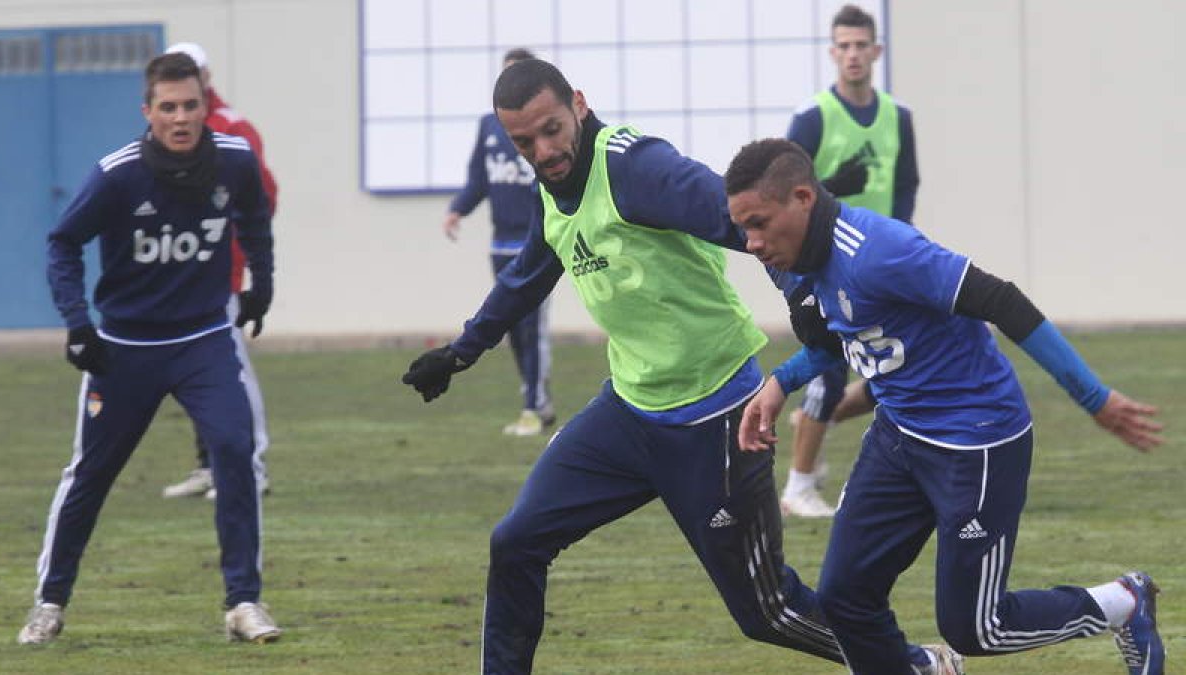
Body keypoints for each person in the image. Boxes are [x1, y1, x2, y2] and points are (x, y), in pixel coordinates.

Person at [403, 59, 963, 675]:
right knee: (515, 542)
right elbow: (528, 274)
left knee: (767, 611)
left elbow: (742, 218)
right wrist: (462, 351)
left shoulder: (635, 166)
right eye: (524, 142)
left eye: (552, 129)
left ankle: (914, 666)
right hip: (629, 412)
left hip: (719, 415)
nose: (543, 150)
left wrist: (800, 288)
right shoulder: (551, 186)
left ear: (580, 106)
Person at [725, 137, 1164, 675]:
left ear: (802, 198)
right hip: (898, 436)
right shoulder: (796, 261)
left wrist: (1095, 399)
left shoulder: (880, 251)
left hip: (974, 442)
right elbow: (836, 340)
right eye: (742, 228)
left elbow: (1003, 301)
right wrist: (780, 382)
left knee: (977, 628)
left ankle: (1125, 603)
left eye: (759, 223)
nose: (749, 243)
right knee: (844, 597)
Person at [18, 53, 280, 645]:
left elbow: (256, 218)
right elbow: (62, 243)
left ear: (204, 107)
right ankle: (50, 601)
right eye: (168, 107)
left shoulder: (234, 162)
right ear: (148, 112)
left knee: (236, 451)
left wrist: (260, 286)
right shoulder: (118, 175)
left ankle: (243, 601)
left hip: (206, 339)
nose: (181, 118)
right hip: (125, 347)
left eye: (191, 105)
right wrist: (77, 323)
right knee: (91, 474)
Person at [780, 3, 921, 518]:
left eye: (862, 45)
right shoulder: (814, 117)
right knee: (831, 368)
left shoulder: (898, 118)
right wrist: (837, 187)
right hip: (826, 262)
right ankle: (798, 485)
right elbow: (783, 190)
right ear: (832, 52)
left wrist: (906, 249)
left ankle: (814, 426)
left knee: (897, 363)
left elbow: (905, 188)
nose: (854, 54)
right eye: (845, 45)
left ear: (876, 51)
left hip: (883, 264)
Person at [160, 41, 277, 500]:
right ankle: (210, 463)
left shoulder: (233, 130)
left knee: (231, 372)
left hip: (217, 271)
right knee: (193, 372)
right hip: (174, 272)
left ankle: (252, 465)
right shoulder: (170, 130)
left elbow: (263, 199)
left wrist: (242, 256)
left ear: (206, 79)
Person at [442, 47, 554, 437]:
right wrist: (458, 209)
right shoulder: (490, 127)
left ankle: (533, 407)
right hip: (500, 244)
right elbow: (479, 179)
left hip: (535, 244)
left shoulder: (545, 129)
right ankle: (535, 397)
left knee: (533, 328)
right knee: (511, 327)